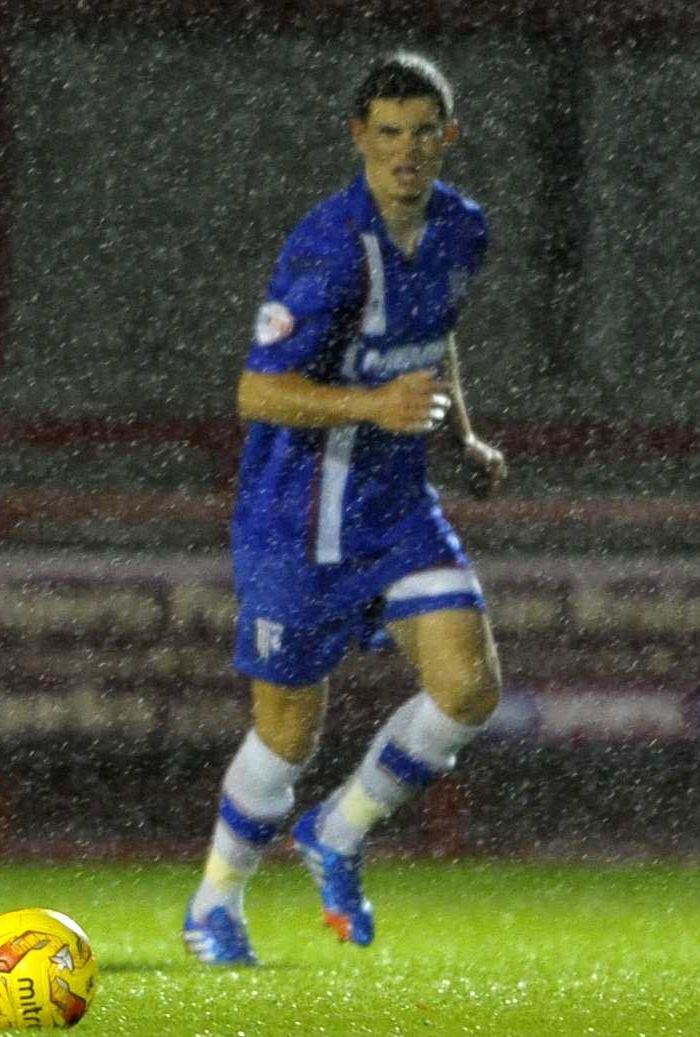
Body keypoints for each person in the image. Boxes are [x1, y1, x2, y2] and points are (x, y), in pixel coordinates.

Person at [182, 52, 507, 966]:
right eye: (387, 132)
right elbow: (256, 391)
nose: (405, 150)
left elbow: (429, 343)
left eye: (422, 132)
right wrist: (373, 407)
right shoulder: (326, 245)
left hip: (395, 503)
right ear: (359, 138)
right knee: (287, 731)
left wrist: (463, 437)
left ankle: (338, 830)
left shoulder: (461, 229)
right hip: (295, 513)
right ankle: (214, 900)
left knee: (469, 687)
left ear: (448, 138)